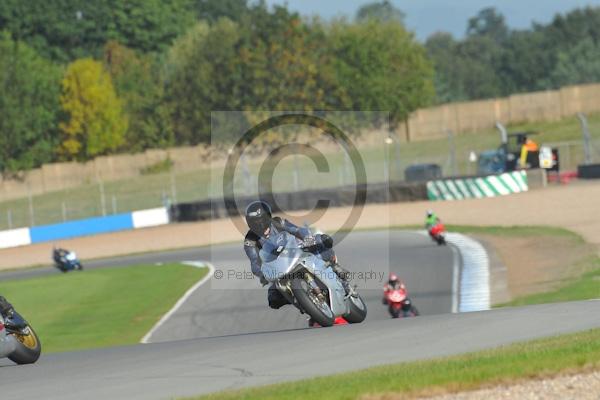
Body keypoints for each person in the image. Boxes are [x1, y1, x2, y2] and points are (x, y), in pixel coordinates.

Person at [243, 200, 350, 310]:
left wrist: (308, 239)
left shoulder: (278, 222)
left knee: (321, 241)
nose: (259, 224)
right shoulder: (250, 240)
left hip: (295, 250)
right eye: (255, 222)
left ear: (267, 217)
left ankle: (335, 268)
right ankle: (302, 303)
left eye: (261, 220)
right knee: (273, 299)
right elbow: (254, 262)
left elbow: (297, 230)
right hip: (278, 267)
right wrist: (262, 275)